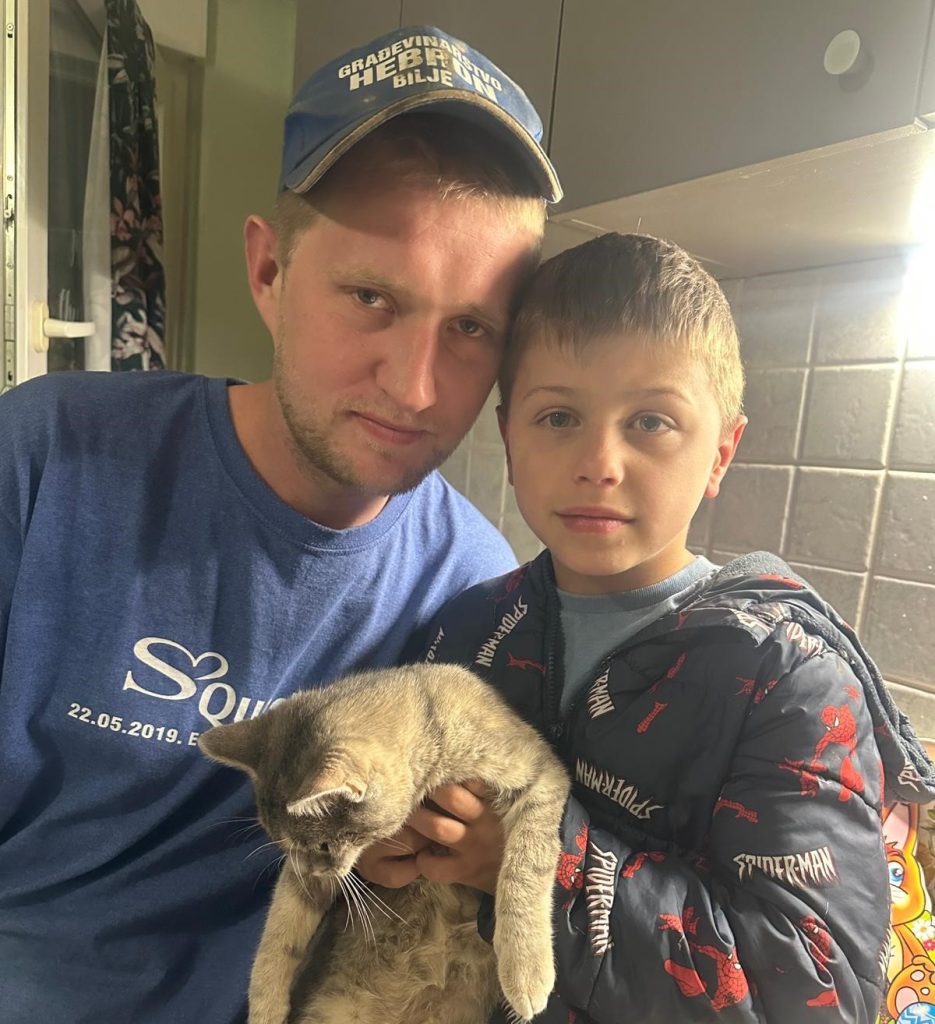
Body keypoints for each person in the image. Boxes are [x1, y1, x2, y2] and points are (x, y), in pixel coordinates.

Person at [0, 26, 561, 1024]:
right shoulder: (44, 456)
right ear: (268, 271)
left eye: (470, 328)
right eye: (370, 297)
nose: (416, 386)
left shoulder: (476, 592)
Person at [375, 231, 935, 1022]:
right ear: (507, 438)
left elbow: (811, 995)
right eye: (558, 416)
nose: (599, 462)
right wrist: (382, 845)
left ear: (721, 453)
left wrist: (530, 858)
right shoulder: (467, 629)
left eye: (650, 421)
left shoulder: (786, 677)